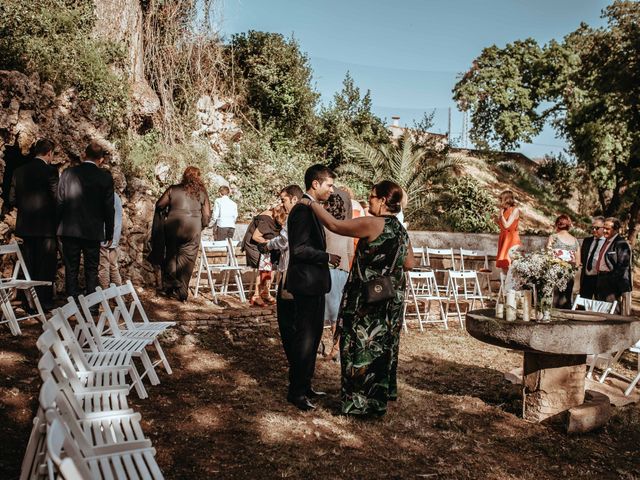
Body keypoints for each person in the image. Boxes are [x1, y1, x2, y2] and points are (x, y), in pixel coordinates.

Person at [300, 179, 414, 417]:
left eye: (372, 196)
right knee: (380, 349)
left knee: (357, 346)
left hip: (364, 298)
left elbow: (334, 225)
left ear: (383, 200)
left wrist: (309, 204)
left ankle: (358, 403)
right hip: (388, 299)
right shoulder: (402, 231)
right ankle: (376, 401)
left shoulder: (373, 224)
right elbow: (409, 263)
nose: (369, 199)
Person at [285, 164, 341, 411]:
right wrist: (326, 257)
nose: (332, 189)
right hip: (306, 283)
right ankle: (296, 392)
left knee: (313, 337)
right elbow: (298, 249)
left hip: (314, 284)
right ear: (315, 184)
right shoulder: (302, 211)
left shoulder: (312, 209)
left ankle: (305, 386)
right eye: (329, 184)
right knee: (305, 340)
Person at [258, 185, 304, 394]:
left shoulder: (295, 214)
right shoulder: (310, 213)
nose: (282, 204)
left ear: (294, 199)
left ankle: (296, 366)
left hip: (290, 274)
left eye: (284, 199)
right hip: (302, 276)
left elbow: (284, 241)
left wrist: (268, 245)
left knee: (287, 323)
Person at [57, 141, 115, 302]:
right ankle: (93, 305)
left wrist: (57, 226)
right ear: (101, 159)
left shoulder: (68, 173)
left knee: (71, 268)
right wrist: (109, 232)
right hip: (93, 230)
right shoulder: (105, 177)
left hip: (70, 229)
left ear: (84, 155)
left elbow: (59, 202)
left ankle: (72, 303)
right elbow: (109, 208)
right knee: (91, 269)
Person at [9, 138, 59, 309]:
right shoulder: (51, 172)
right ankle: (43, 303)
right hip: (46, 228)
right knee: (45, 266)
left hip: (25, 227)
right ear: (49, 153)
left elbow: (12, 199)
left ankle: (28, 302)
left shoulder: (19, 171)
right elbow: (57, 199)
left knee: (28, 265)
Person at [155, 166, 211, 301]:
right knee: (188, 259)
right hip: (193, 227)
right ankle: (182, 293)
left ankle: (170, 285)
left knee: (171, 256)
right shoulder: (202, 192)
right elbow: (207, 214)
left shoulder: (173, 189)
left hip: (173, 226)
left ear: (184, 176)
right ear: (198, 177)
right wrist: (201, 226)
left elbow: (159, 204)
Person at [323, 189, 354, 362]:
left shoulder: (324, 225)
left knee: (331, 314)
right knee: (338, 314)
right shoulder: (348, 227)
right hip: (344, 272)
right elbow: (350, 253)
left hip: (328, 271)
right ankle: (337, 348)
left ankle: (335, 349)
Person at [242, 205, 283, 306]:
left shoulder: (277, 217)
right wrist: (269, 242)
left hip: (266, 246)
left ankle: (265, 293)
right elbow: (256, 237)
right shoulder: (266, 219)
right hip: (254, 245)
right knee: (264, 266)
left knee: (272, 266)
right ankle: (256, 295)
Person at [595, 217, 632, 313]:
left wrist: (612, 280)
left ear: (615, 229)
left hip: (611, 282)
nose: (604, 231)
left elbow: (623, 266)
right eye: (604, 228)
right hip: (601, 278)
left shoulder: (621, 243)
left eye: (608, 229)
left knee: (611, 311)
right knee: (600, 310)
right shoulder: (607, 241)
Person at [546, 214, 580, 308]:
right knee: (567, 297)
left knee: (555, 297)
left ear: (557, 224)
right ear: (569, 226)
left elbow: (548, 256)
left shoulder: (553, 237)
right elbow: (578, 262)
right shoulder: (575, 240)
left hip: (555, 270)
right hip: (570, 272)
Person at [98, 192, 123, 289]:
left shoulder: (104, 196)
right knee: (114, 266)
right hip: (115, 236)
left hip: (105, 236)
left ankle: (105, 297)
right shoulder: (116, 196)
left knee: (103, 267)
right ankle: (119, 295)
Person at [579, 216, 606, 300]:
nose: (594, 230)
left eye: (597, 228)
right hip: (586, 277)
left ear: (604, 228)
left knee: (600, 305)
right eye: (592, 227)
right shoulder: (587, 241)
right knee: (583, 304)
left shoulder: (608, 242)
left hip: (600, 279)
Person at [495, 190, 521, 272]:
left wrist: (501, 215)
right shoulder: (504, 210)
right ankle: (504, 284)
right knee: (503, 264)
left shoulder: (515, 210)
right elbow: (502, 226)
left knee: (509, 263)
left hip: (511, 239)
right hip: (503, 238)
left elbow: (507, 225)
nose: (500, 202)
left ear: (506, 200)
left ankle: (509, 284)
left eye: (501, 199)